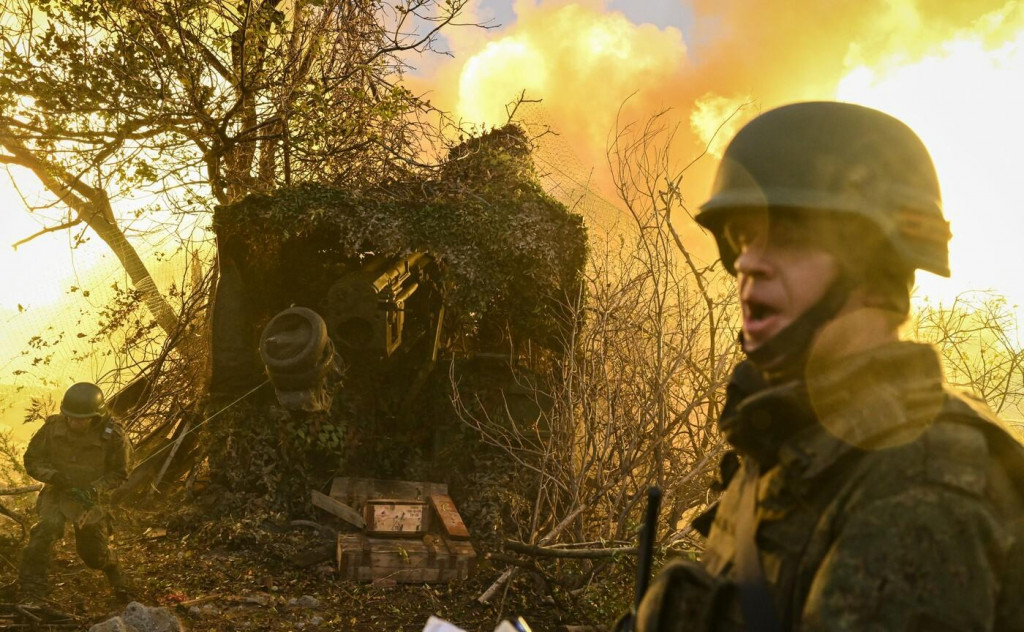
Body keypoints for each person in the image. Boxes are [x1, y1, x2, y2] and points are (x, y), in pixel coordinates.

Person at [633, 102, 1024, 631]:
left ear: (874, 265)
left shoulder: (922, 483)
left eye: (789, 237)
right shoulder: (792, 443)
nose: (747, 261)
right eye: (745, 238)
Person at [19, 382, 131, 602]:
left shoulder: (114, 435)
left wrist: (95, 487)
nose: (74, 422)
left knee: (93, 555)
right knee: (44, 531)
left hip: (90, 498)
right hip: (58, 490)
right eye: (70, 417)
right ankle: (32, 590)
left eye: (81, 419)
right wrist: (53, 476)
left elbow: (121, 472)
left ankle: (112, 563)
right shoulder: (53, 428)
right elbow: (32, 459)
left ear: (95, 417)